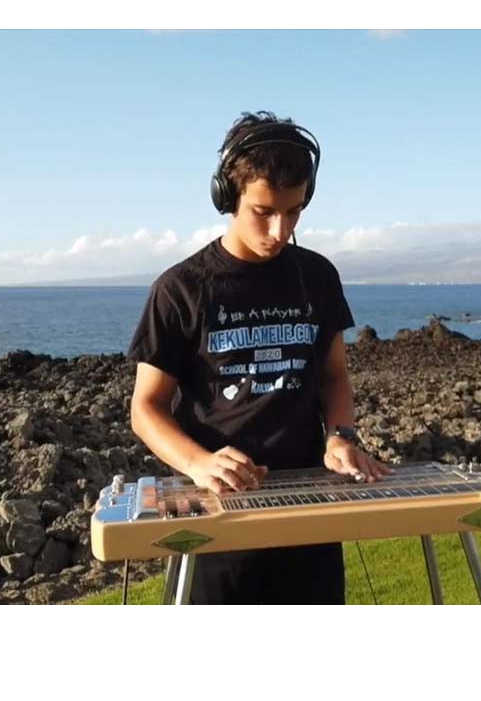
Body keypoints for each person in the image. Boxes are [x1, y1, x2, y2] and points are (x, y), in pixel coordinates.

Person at [127, 110, 389, 604]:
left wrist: (341, 436)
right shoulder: (181, 289)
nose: (279, 229)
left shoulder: (318, 276)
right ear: (227, 196)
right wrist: (199, 463)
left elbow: (334, 378)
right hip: (217, 519)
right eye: (263, 211)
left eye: (293, 212)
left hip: (310, 510)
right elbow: (146, 408)